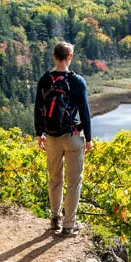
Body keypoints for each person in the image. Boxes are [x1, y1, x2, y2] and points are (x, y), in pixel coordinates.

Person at [34, 41, 92, 235]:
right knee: (74, 181)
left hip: (51, 137)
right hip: (73, 136)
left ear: (53, 56)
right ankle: (69, 225)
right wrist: (89, 138)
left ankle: (55, 219)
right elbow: (84, 112)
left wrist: (38, 133)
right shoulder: (77, 81)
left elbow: (37, 108)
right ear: (70, 57)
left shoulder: (45, 79)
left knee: (54, 179)